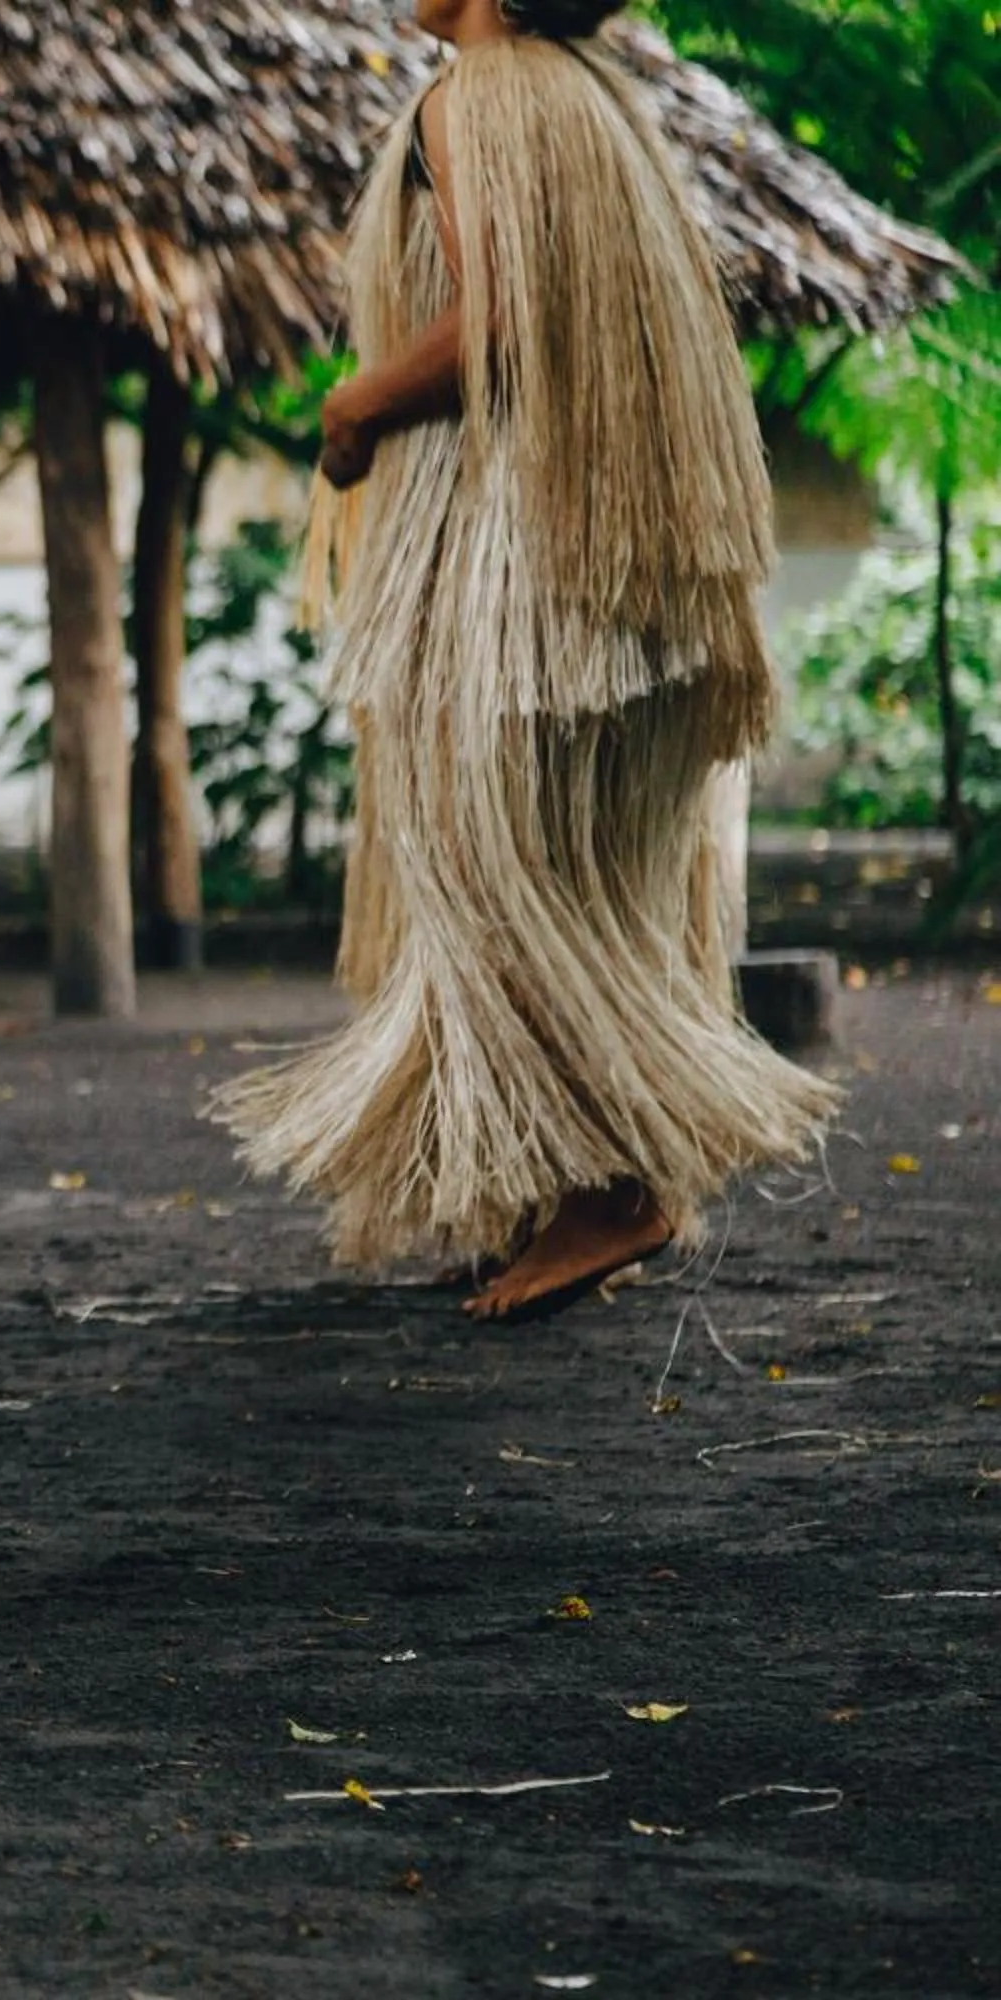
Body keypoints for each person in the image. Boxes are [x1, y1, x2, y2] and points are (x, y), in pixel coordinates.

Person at [213, 0, 840, 1316]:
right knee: (575, 880)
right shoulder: (601, 109)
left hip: (514, 584)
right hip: (607, 594)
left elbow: (499, 319)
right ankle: (564, 1190)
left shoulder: (476, 98)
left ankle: (618, 1190)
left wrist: (355, 406)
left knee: (487, 872)